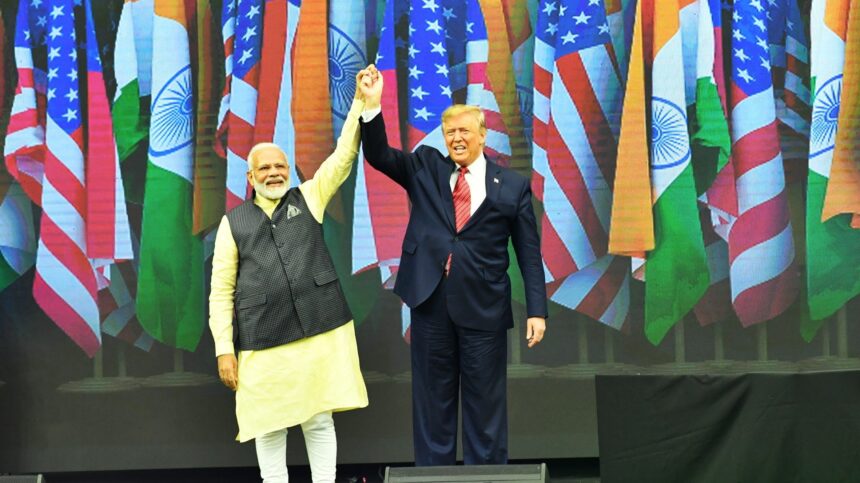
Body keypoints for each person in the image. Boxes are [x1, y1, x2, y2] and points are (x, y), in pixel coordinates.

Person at [358, 65, 547, 465]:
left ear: (482, 135)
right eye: (450, 133)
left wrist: (537, 311)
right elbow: (377, 155)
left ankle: (488, 477)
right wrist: (372, 107)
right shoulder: (426, 167)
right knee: (433, 405)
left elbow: (529, 252)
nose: (457, 139)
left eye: (464, 131)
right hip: (430, 303)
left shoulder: (511, 185)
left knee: (485, 406)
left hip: (484, 308)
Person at [208, 73, 371, 483]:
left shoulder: (309, 196)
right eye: (265, 168)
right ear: (250, 178)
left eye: (281, 165)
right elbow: (220, 291)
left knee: (318, 420)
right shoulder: (233, 222)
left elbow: (342, 157)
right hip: (262, 339)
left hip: (319, 328)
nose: (275, 173)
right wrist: (224, 350)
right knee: (269, 424)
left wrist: (359, 104)